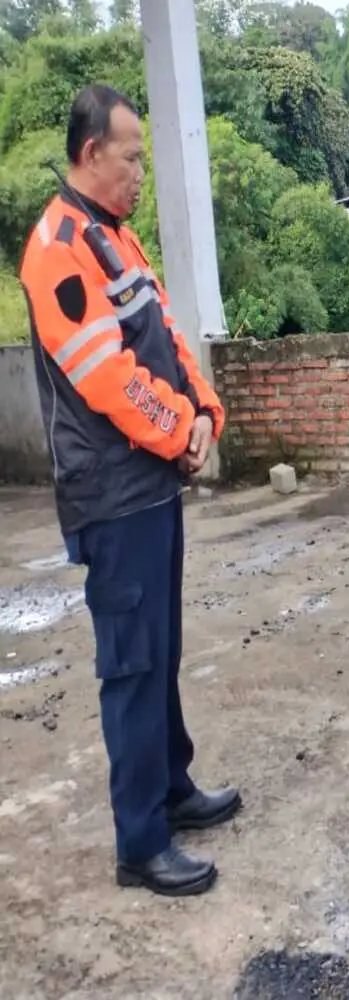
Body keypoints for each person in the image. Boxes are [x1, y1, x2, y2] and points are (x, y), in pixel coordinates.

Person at [19, 85, 240, 897]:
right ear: (90, 155)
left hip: (151, 487)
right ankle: (139, 840)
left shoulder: (114, 238)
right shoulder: (57, 249)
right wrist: (180, 430)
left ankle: (172, 786)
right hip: (110, 498)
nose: (141, 171)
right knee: (132, 665)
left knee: (163, 652)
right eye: (131, 156)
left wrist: (204, 407)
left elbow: (167, 333)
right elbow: (105, 374)